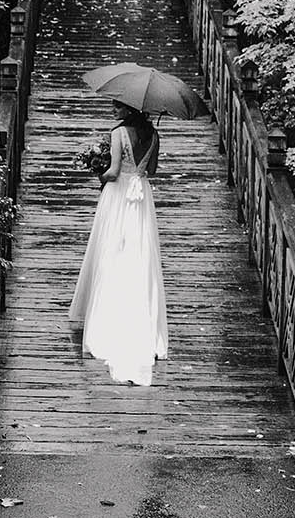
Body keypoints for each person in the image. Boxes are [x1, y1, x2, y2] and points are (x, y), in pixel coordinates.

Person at [67, 100, 169, 386]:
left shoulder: (117, 133)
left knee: (111, 249)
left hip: (119, 193)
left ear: (129, 109)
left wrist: (97, 173)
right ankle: (142, 318)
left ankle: (108, 320)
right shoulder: (154, 135)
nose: (113, 110)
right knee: (140, 251)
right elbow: (154, 171)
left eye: (117, 106)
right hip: (141, 194)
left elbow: (112, 171)